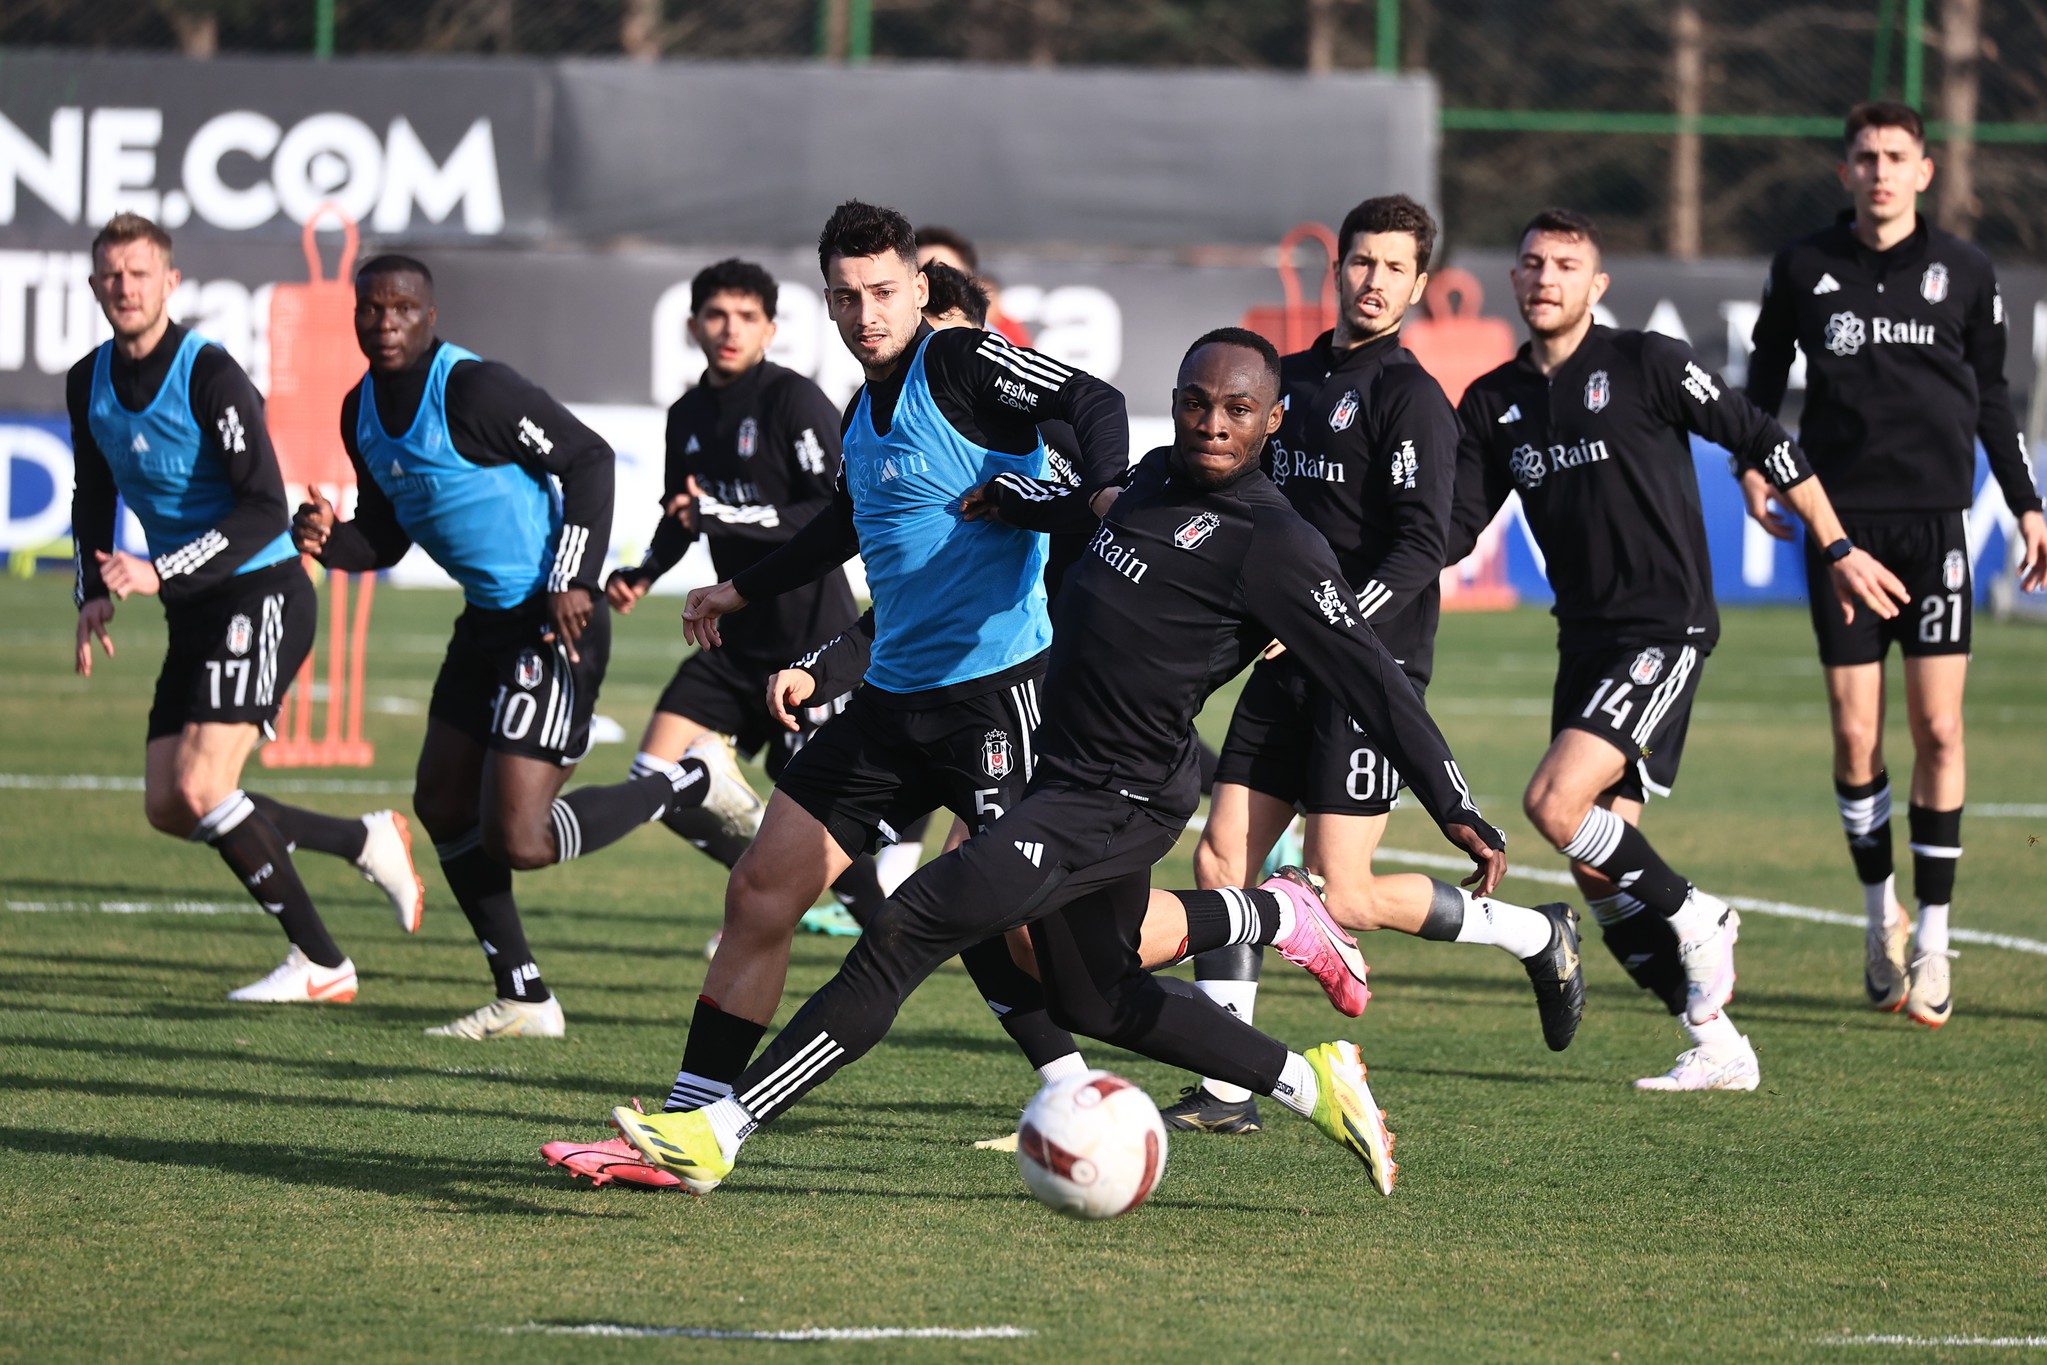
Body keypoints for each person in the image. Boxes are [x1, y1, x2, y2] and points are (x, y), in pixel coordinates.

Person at [604, 328, 1509, 1198]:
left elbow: (1372, 678)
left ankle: (717, 1130)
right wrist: (1011, 500)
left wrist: (1452, 799)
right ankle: (1314, 1079)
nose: (1213, 422)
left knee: (912, 920)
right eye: (1196, 403)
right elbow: (1085, 509)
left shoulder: (1277, 544)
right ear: (1175, 406)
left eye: (1238, 408)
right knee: (1099, 998)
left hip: (1116, 793)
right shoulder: (1151, 478)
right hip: (1063, 770)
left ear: (1272, 421)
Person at [1449, 209, 1908, 1091]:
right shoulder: (1493, 402)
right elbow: (1452, 530)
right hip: (1582, 637)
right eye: (1532, 263)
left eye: (1566, 264)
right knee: (1593, 862)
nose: (1546, 277)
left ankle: (1701, 915)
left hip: (1663, 624)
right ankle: (1718, 1044)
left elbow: (1762, 436)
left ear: (1597, 285)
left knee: (1551, 800)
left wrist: (1838, 548)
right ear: (1513, 279)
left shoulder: (1646, 363)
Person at [1171, 195, 1582, 1135]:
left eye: (1392, 267)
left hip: (1368, 664)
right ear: (1338, 268)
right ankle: (1230, 1085)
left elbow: (1417, 548)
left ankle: (1537, 934)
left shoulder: (1412, 399)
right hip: (1287, 652)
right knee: (1222, 851)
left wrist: (1328, 625)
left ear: (1417, 284)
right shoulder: (1288, 380)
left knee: (1342, 891)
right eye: (1360, 261)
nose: (1371, 279)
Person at [291, 254, 752, 1040]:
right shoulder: (358, 411)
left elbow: (588, 458)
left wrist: (574, 573)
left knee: (523, 839)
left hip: (554, 619)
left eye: (404, 307)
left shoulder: (473, 388)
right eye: (372, 308)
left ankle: (689, 779)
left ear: (432, 316)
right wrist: (332, 543)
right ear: (356, 315)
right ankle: (525, 995)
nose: (387, 321)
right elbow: (386, 533)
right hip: (486, 623)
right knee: (438, 799)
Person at [1743, 101, 2047, 1027]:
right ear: (1845, 173)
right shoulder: (1803, 265)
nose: (1878, 171)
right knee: (1854, 735)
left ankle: (1936, 936)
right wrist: (1752, 463)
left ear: (1923, 171)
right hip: (1840, 528)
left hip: (1934, 526)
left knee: (1943, 733)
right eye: (1864, 157)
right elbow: (1761, 377)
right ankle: (1880, 918)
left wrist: (2027, 502)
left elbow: (1992, 396)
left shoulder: (1965, 271)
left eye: (1895, 157)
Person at [67, 212, 422, 1004]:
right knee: (169, 800)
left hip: (261, 593)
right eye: (111, 275)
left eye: (139, 272)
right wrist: (91, 589)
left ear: (171, 284)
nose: (125, 286)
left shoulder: (210, 373)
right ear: (95, 287)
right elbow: (93, 490)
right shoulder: (85, 380)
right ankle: (362, 837)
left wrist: (161, 567)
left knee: (202, 785)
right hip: (192, 604)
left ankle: (322, 962)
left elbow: (265, 508)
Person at [602, 258, 884, 926]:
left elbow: (828, 514)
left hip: (809, 651)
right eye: (717, 315)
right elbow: (683, 512)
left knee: (827, 831)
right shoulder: (686, 414)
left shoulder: (795, 401)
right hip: (728, 648)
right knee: (653, 778)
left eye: (746, 317)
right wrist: (644, 571)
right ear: (693, 324)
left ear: (771, 329)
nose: (730, 329)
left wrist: (720, 517)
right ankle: (772, 878)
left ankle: (884, 936)